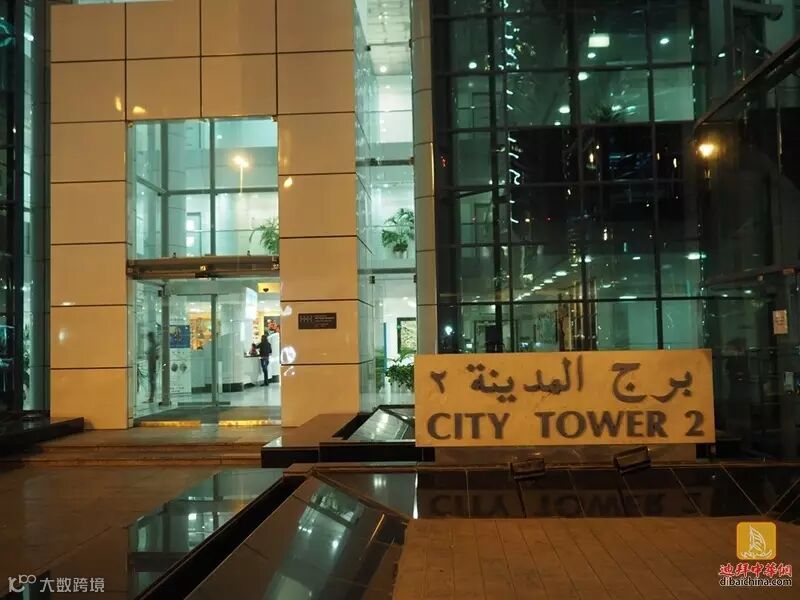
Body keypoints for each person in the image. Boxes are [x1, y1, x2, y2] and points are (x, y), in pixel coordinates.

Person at [146, 331, 159, 403]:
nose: (147, 339)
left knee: (152, 383)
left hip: (152, 367)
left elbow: (154, 358)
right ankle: (151, 397)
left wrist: (153, 369)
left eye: (148, 337)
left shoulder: (153, 346)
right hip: (151, 367)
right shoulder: (153, 345)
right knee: (152, 383)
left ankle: (151, 398)